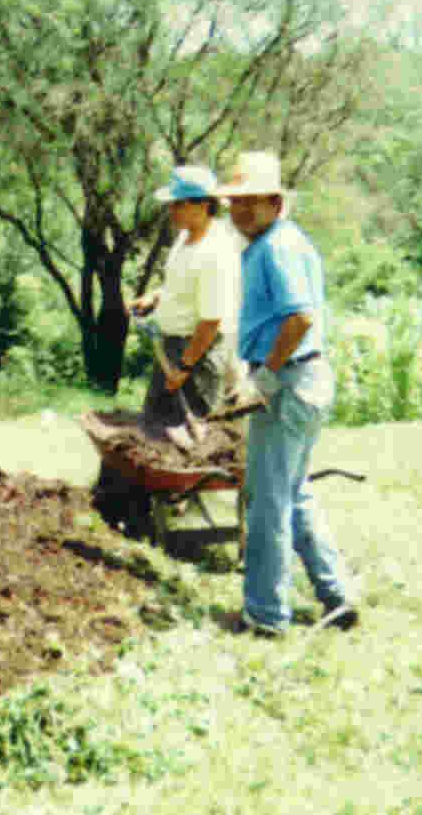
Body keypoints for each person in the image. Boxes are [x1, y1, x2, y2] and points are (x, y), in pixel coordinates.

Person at [219, 151, 357, 636]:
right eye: (234, 204)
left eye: (249, 203)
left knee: (267, 504)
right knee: (294, 494)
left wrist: (264, 377)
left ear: (275, 202)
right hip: (307, 378)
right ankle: (338, 595)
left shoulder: (276, 247)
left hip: (290, 380)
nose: (239, 212)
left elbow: (299, 318)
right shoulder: (281, 242)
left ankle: (265, 615)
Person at [92, 165, 245, 535]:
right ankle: (124, 506)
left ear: (201, 205)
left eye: (178, 204)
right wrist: (156, 298)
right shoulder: (186, 238)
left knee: (188, 436)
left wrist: (186, 365)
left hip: (199, 350)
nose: (171, 211)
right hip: (174, 344)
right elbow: (178, 284)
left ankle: (177, 510)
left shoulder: (215, 252)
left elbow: (210, 320)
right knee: (152, 427)